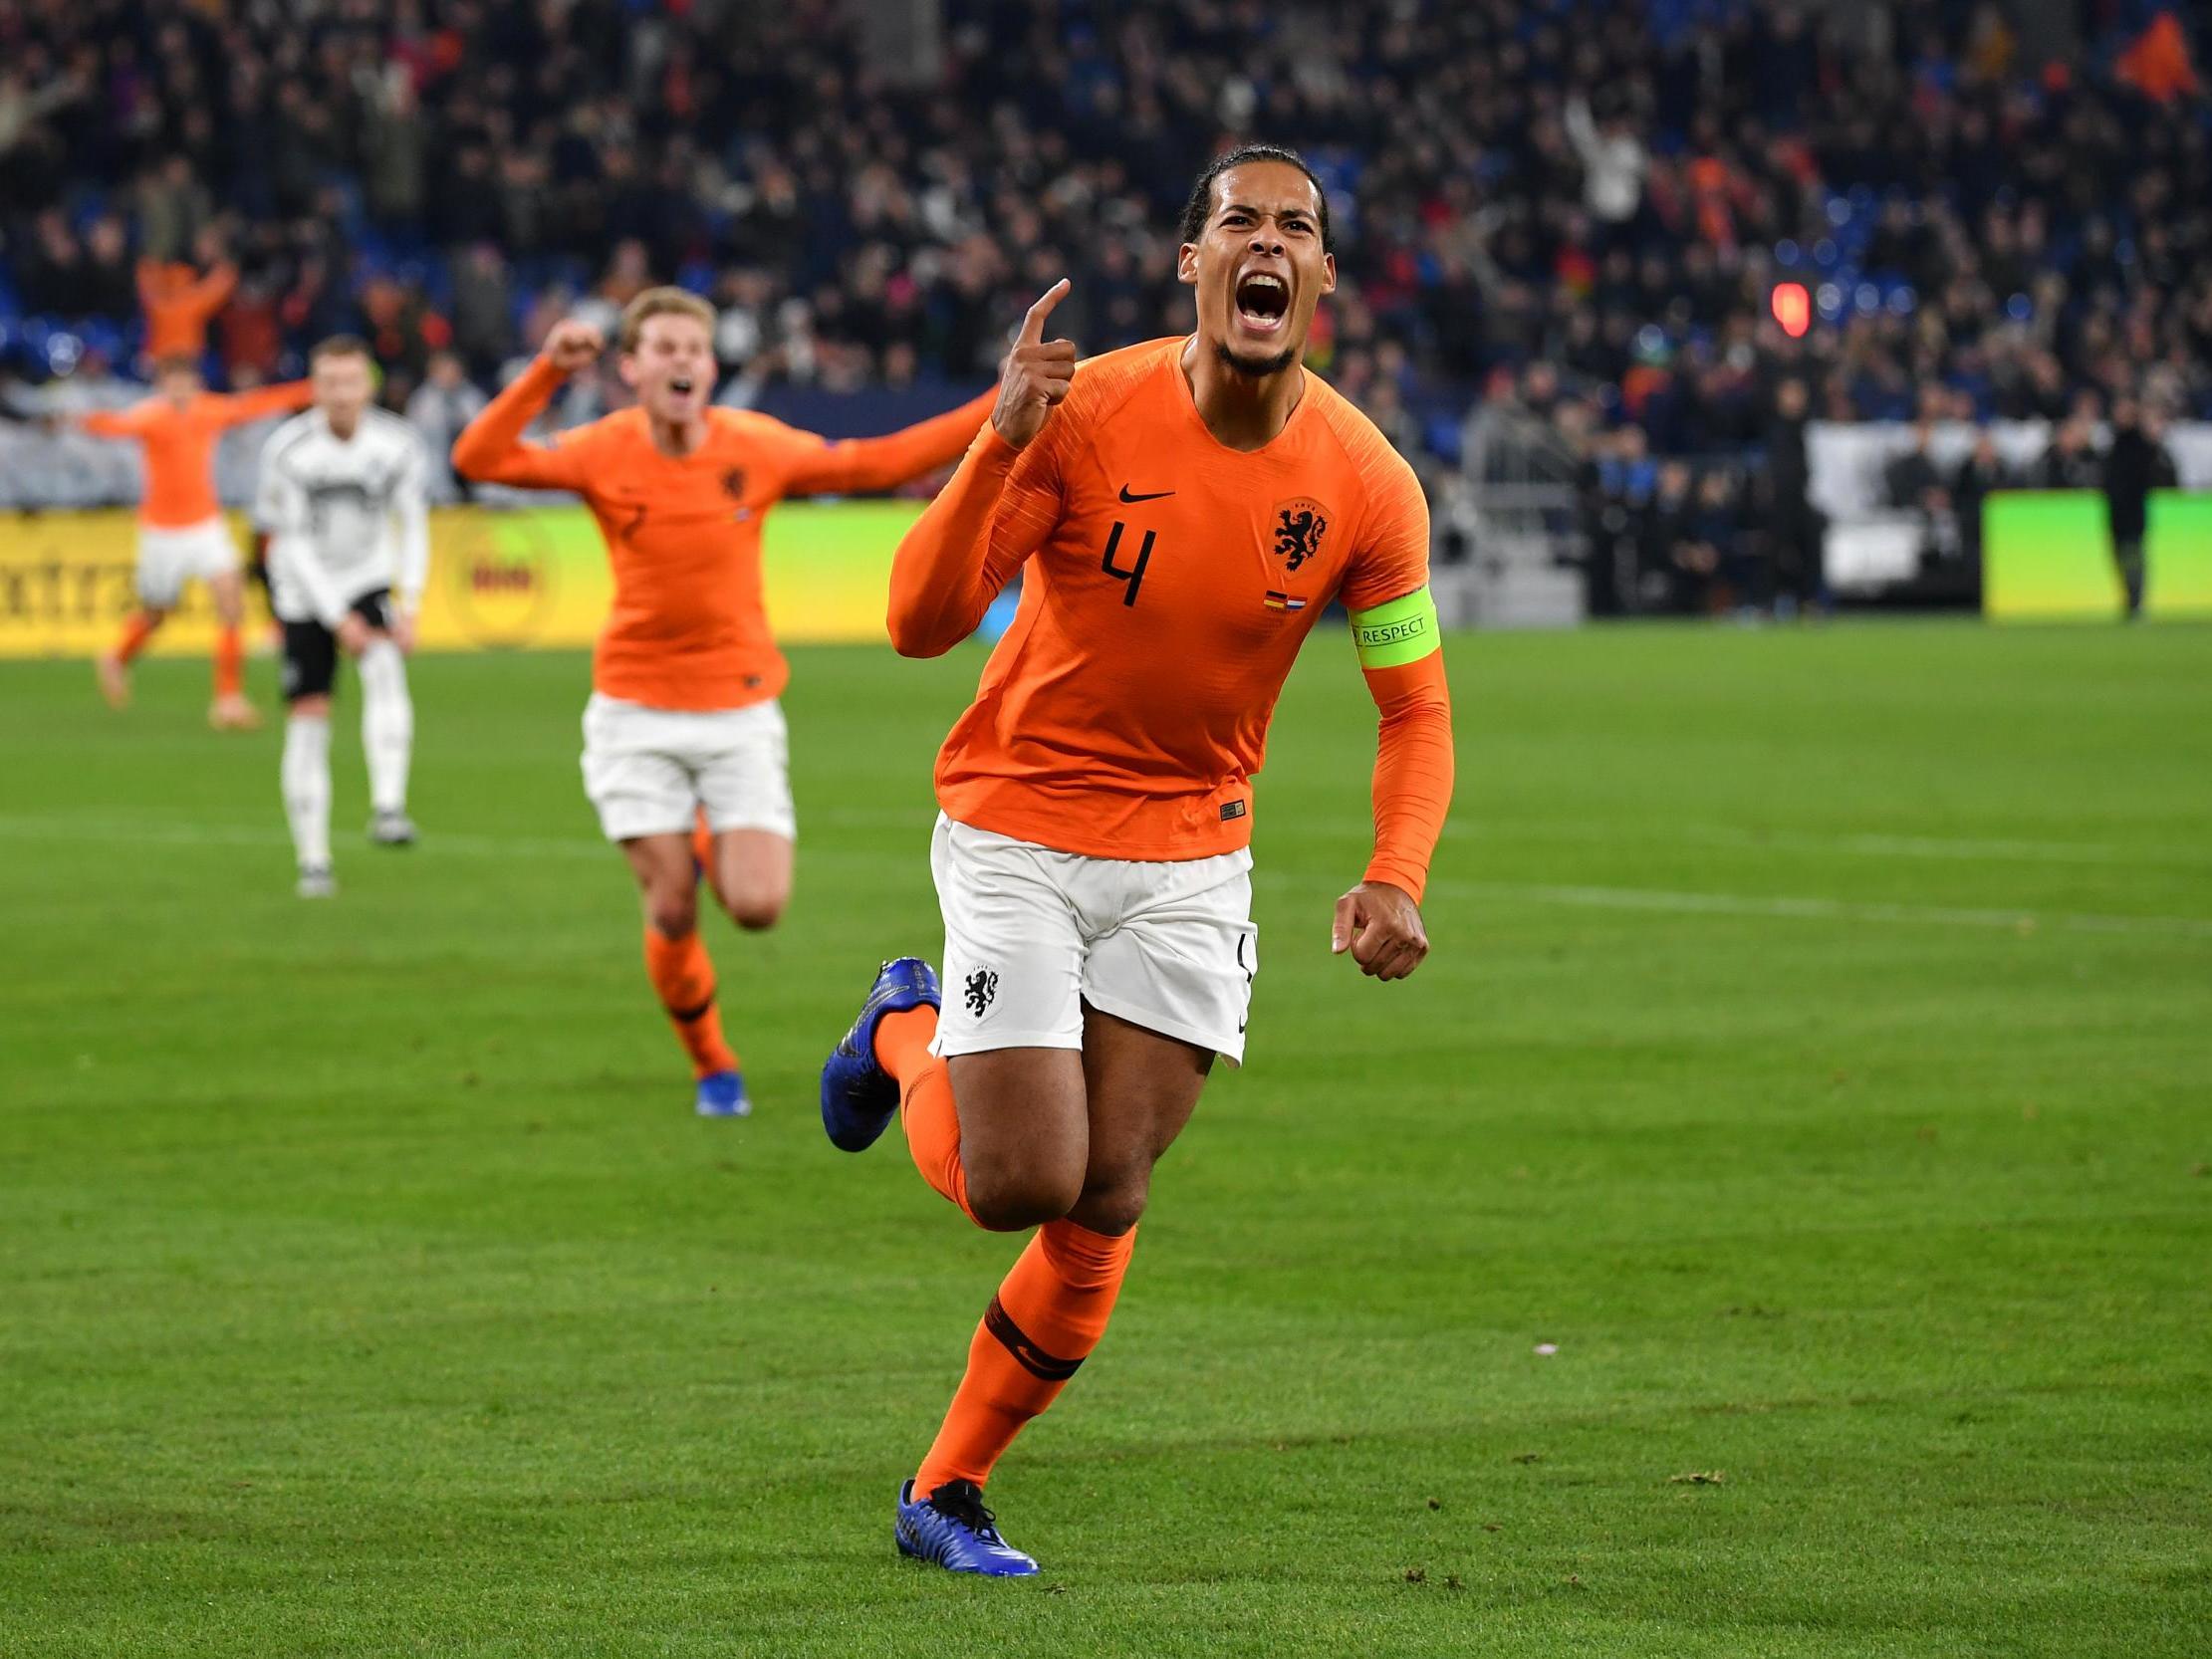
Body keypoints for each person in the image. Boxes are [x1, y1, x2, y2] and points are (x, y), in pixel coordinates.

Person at [815, 144, 1455, 1576]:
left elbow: (1412, 704)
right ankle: (902, 1026)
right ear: (1193, 262)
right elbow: (920, 623)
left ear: (1324, 276)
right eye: (1239, 221)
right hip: (1020, 821)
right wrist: (994, 436)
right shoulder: (1084, 411)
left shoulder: (1364, 481)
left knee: (1109, 1196)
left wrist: (1395, 868)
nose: (1266, 242)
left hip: (1190, 859)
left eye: (1296, 226)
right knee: (1018, 1180)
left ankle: (947, 1487)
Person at [451, 288, 994, 1119]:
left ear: (710, 366)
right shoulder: (602, 449)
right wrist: (545, 374)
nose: (679, 362)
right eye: (661, 348)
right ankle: (713, 1063)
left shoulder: (755, 445)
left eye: (692, 350)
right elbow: (479, 458)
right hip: (634, 711)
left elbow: (878, 465)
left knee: (756, 906)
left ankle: (703, 835)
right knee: (670, 902)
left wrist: (1001, 402)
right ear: (629, 368)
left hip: (738, 709)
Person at [254, 337, 431, 898]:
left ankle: (388, 806)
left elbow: (414, 525)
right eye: (329, 382)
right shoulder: (288, 451)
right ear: (314, 387)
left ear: (369, 385)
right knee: (309, 720)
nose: (340, 394)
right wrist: (336, 618)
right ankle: (313, 859)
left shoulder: (397, 445)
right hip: (305, 594)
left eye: (350, 382)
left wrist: (410, 603)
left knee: (385, 666)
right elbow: (293, 542)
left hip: (367, 577)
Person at [72, 356, 312, 726]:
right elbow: (115, 426)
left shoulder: (208, 411)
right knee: (157, 614)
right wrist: (80, 421)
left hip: (205, 525)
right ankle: (116, 657)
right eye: (173, 382)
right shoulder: (150, 416)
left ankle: (228, 699)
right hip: (161, 532)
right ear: (162, 385)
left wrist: (308, 389)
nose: (180, 389)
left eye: (186, 381)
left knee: (231, 600)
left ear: (196, 383)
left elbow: (255, 405)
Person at [2101, 399, 2178, 619]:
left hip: (2133, 512)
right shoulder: (2115, 442)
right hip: (2116, 511)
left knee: (2134, 557)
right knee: (2120, 556)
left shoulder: (2141, 446)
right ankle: (2129, 600)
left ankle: (2136, 601)